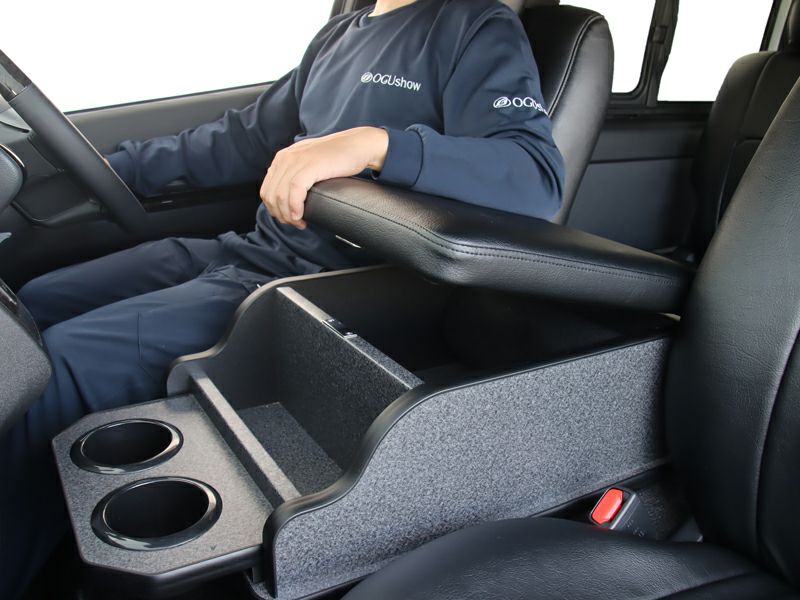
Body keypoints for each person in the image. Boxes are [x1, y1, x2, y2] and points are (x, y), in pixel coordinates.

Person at [0, 0, 564, 597]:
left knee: (60, 364)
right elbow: (242, 139)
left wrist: (375, 144)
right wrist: (112, 168)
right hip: (249, 252)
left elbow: (534, 177)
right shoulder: (341, 34)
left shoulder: (472, 24)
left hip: (325, 289)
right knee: (38, 301)